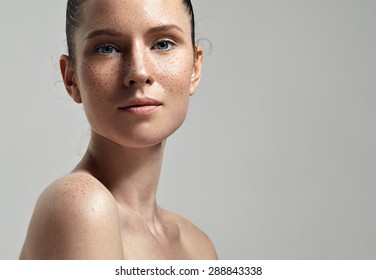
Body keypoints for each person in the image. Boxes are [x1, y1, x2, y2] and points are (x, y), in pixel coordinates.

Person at [19, 0, 218, 260]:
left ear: (194, 67)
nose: (139, 71)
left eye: (163, 44)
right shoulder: (82, 205)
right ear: (71, 78)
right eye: (107, 48)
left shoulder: (197, 245)